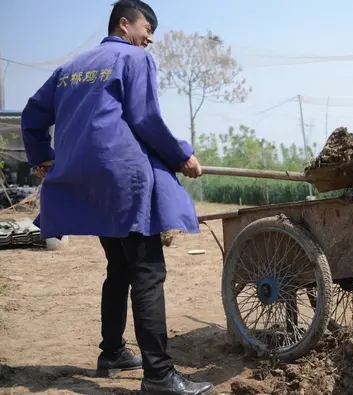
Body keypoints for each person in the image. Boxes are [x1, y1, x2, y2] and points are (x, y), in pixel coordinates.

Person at [21, 1, 216, 394]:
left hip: (87, 183)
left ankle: (112, 353)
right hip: (124, 180)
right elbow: (146, 119)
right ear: (124, 23)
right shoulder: (134, 58)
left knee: (120, 267)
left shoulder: (70, 69)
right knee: (147, 271)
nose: (151, 37)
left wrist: (43, 157)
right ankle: (160, 374)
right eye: (148, 27)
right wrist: (183, 156)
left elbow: (32, 115)